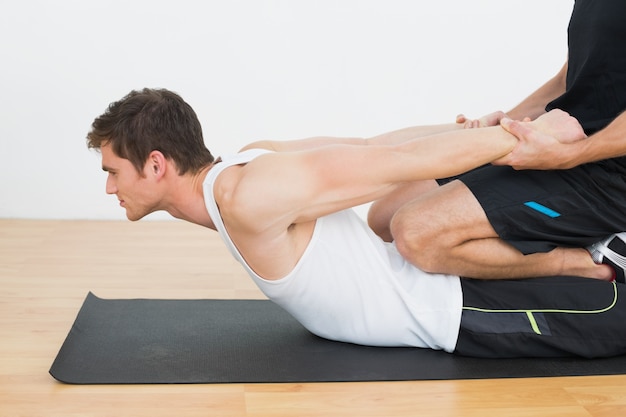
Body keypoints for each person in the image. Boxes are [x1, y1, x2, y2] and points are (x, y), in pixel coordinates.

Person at [85, 88, 626, 358]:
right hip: (441, 290)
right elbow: (374, 146)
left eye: (113, 171)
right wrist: (500, 123)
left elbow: (400, 162)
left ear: (156, 164)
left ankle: (597, 250)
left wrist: (532, 138)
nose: (110, 186)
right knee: (386, 214)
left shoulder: (252, 196)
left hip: (458, 313)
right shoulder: (248, 165)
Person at [367, 0, 626, 283]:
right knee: (383, 217)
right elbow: (570, 79)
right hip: (559, 145)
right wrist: (505, 124)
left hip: (611, 179)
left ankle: (593, 262)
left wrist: (568, 155)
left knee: (417, 234)